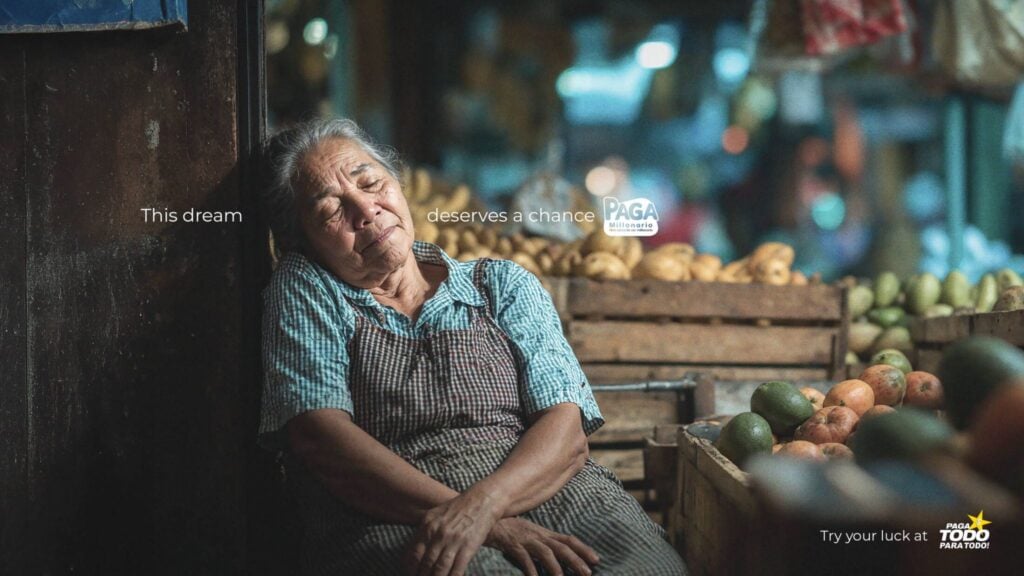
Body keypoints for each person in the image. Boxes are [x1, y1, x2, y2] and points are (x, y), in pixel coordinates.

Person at [257, 117, 687, 576]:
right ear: (301, 244)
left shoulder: (502, 284)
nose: (366, 210)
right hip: (399, 511)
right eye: (331, 211)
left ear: (397, 185)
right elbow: (320, 437)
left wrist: (482, 509)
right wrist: (478, 522)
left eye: (371, 183)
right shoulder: (307, 287)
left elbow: (566, 428)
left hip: (545, 489)